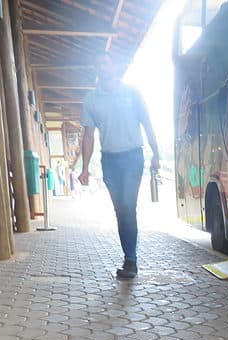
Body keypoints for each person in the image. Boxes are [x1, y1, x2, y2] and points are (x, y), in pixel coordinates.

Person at [79, 52, 159, 279]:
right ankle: (129, 258)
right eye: (98, 65)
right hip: (109, 161)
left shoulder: (132, 93)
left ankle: (131, 260)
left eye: (105, 63)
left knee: (127, 206)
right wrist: (85, 167)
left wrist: (156, 153)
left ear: (114, 66)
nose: (102, 68)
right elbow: (88, 135)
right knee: (120, 211)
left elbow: (147, 123)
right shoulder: (91, 99)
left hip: (133, 157)